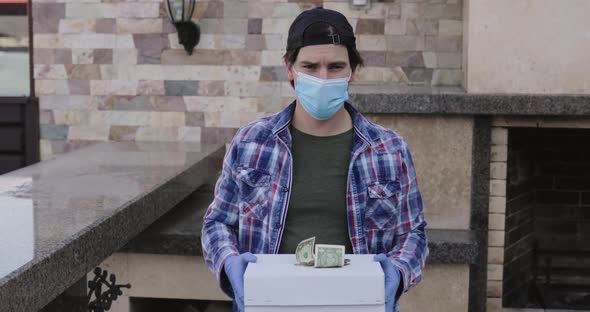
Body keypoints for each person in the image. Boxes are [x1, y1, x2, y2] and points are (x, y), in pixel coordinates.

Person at [201, 7, 428, 312]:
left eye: (335, 67)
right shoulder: (251, 142)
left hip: (361, 304)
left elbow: (412, 232)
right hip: (268, 303)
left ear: (353, 71)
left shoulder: (390, 149)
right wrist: (229, 262)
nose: (323, 78)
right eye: (310, 66)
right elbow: (217, 222)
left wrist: (398, 273)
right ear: (290, 69)